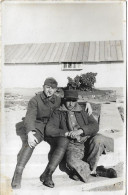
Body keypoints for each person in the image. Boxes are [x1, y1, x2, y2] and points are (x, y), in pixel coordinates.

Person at [11, 78, 92, 189]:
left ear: (55, 90)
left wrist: (87, 103)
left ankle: (47, 174)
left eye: (52, 88)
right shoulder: (35, 100)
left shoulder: (57, 99)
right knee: (30, 143)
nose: (50, 91)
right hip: (38, 126)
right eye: (48, 87)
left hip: (52, 128)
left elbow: (71, 101)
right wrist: (30, 133)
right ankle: (18, 173)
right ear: (43, 86)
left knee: (64, 140)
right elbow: (29, 117)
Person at [43, 90, 117, 186]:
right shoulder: (58, 112)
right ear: (64, 100)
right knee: (70, 160)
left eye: (73, 101)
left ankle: (83, 172)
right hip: (73, 144)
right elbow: (49, 129)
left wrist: (81, 130)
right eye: (68, 100)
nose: (70, 104)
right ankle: (97, 170)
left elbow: (95, 126)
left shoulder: (82, 110)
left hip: (87, 139)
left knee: (99, 139)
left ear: (76, 101)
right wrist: (66, 133)